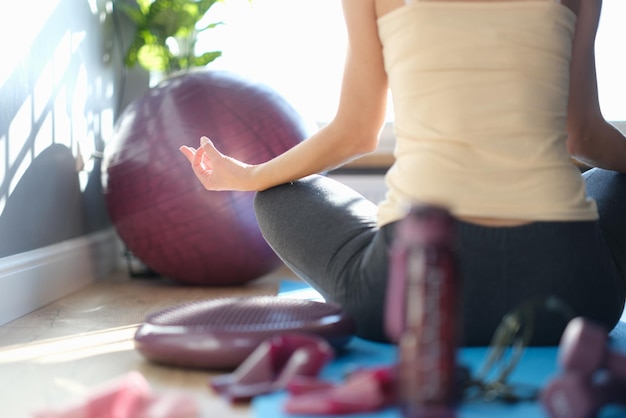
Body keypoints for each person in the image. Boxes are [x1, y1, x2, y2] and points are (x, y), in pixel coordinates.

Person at [180, 0, 626, 345]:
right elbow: (584, 136)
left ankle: (395, 245)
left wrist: (249, 175)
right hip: (574, 298)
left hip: (413, 300)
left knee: (278, 196)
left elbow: (355, 133)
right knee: (614, 178)